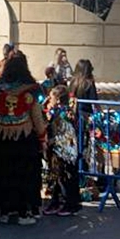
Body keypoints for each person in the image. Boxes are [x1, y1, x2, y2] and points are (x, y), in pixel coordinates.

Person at [0, 54, 46, 225]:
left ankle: (4, 211)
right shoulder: (31, 89)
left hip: (1, 137)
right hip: (23, 138)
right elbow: (36, 117)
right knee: (24, 176)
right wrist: (42, 136)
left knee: (3, 174)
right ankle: (23, 213)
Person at [41, 85, 81, 216]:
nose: (48, 99)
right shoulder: (56, 112)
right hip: (57, 151)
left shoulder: (63, 114)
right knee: (57, 178)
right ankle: (56, 202)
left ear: (57, 99)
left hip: (64, 151)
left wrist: (53, 141)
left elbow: (64, 133)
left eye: (51, 97)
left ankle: (71, 204)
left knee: (65, 178)